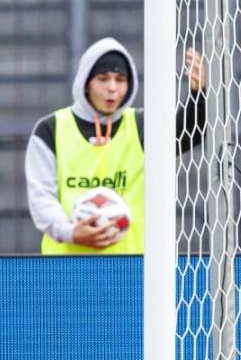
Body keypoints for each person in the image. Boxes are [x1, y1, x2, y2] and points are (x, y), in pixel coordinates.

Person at [26, 37, 207, 254]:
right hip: (66, 268)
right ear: (86, 82)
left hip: (130, 267)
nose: (112, 88)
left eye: (120, 80)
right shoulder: (51, 129)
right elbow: (41, 199)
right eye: (103, 79)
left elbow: (189, 134)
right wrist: (71, 232)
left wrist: (198, 94)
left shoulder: (141, 125)